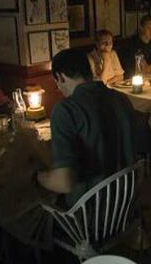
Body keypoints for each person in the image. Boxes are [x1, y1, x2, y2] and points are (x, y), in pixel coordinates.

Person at [37, 49, 136, 208]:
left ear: (60, 77)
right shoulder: (122, 98)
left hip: (91, 211)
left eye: (57, 84)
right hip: (127, 202)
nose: (59, 90)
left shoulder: (66, 109)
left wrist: (38, 177)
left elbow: (64, 183)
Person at [117, 14, 151, 78]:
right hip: (131, 79)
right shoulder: (132, 44)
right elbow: (144, 70)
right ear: (141, 28)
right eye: (149, 28)